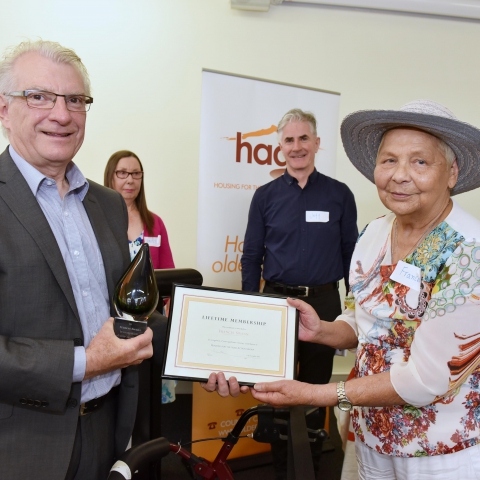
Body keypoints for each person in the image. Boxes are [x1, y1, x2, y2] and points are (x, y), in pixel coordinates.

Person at [205, 100, 480, 479]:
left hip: (437, 449)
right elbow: (361, 317)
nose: (400, 175)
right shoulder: (375, 233)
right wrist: (322, 330)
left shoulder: (468, 251)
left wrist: (316, 394)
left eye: (419, 162)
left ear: (451, 172)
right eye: (388, 160)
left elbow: (426, 379)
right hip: (369, 437)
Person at [0, 40, 154, 480]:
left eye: (75, 100)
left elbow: (120, 313)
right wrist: (87, 362)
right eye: (39, 96)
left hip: (108, 431)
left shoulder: (107, 204)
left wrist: (205, 353)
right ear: (4, 110)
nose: (62, 114)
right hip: (22, 446)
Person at [240, 108, 358, 477]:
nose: (297, 147)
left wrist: (355, 308)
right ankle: (280, 469)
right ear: (280, 146)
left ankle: (312, 466)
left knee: (318, 389)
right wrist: (251, 306)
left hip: (323, 303)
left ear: (317, 143)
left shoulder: (339, 194)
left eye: (303, 138)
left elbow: (351, 256)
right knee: (277, 388)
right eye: (289, 140)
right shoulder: (265, 196)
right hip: (277, 303)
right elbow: (251, 256)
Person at [104, 150, 176, 403]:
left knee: (147, 398)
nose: (130, 180)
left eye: (136, 174)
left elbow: (168, 271)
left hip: (150, 321)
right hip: (111, 323)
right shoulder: (98, 220)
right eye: (122, 173)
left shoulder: (154, 222)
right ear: (111, 178)